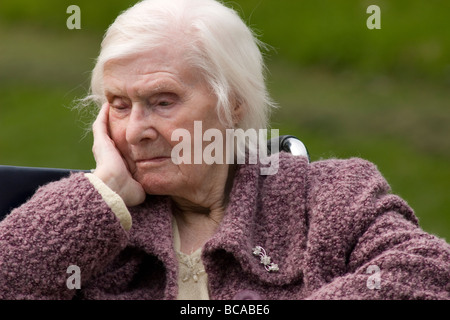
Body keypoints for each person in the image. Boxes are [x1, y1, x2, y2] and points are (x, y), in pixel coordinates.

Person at [0, 0, 448, 300]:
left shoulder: (330, 198)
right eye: (119, 105)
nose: (136, 130)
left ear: (232, 105)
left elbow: (426, 271)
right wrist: (101, 194)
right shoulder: (94, 227)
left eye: (162, 101)